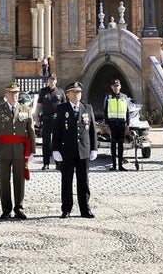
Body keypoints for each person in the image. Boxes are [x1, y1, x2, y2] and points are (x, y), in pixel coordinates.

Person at [0, 83, 36, 219]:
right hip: (3, 149)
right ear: (6, 94)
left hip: (20, 150)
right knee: (4, 180)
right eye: (12, 93)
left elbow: (31, 131)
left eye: (17, 93)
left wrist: (32, 150)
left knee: (19, 179)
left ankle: (19, 208)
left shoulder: (26, 109)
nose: (15, 96)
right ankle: (6, 209)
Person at [51, 81, 96, 218]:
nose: (78, 95)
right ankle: (66, 208)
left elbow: (92, 130)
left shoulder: (87, 108)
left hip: (83, 149)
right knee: (67, 180)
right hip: (67, 150)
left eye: (79, 92)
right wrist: (56, 149)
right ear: (68, 94)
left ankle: (85, 208)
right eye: (75, 92)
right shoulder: (61, 109)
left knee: (83, 181)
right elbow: (57, 130)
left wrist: (94, 148)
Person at [36, 75, 65, 170]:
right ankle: (46, 163)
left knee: (57, 141)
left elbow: (65, 106)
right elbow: (39, 105)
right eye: (50, 79)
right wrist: (36, 118)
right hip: (46, 119)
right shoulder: (43, 91)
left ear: (56, 81)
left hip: (58, 120)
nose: (52, 81)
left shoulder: (60, 92)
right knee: (46, 142)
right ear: (48, 81)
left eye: (53, 79)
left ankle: (58, 163)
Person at [103, 79, 130, 171]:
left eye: (117, 86)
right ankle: (114, 165)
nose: (116, 87)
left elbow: (127, 111)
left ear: (120, 86)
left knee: (121, 144)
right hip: (112, 123)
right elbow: (105, 111)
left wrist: (128, 125)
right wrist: (106, 124)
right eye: (114, 86)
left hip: (122, 123)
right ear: (111, 87)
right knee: (113, 144)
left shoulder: (124, 97)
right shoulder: (108, 96)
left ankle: (120, 165)